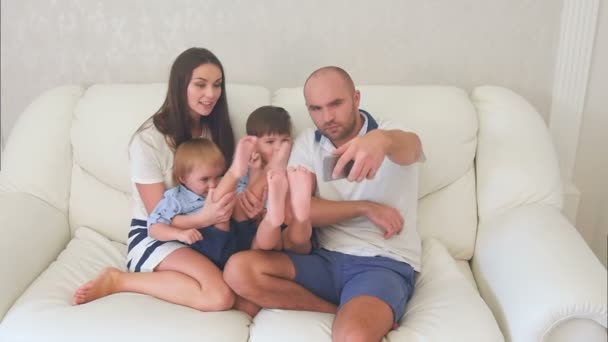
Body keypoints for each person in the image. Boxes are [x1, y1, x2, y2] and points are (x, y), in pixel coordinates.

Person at [223, 66, 425, 341]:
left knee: (352, 337)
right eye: (316, 109)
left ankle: (354, 315)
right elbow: (301, 208)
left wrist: (381, 141)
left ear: (356, 98)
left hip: (380, 263)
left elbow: (412, 147)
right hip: (323, 259)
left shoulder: (391, 133)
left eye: (336, 104)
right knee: (238, 270)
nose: (327, 117)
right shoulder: (308, 143)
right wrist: (365, 207)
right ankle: (335, 309)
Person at [72, 47, 263, 315]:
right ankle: (119, 279)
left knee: (251, 304)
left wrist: (247, 204)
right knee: (218, 297)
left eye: (217, 85)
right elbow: (157, 218)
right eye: (200, 85)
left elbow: (223, 188)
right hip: (159, 233)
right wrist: (204, 218)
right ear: (180, 85)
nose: (211, 94)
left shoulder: (214, 128)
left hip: (207, 234)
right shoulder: (148, 141)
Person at [146, 136, 257, 270]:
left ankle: (244, 172)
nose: (212, 184)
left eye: (217, 176)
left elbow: (244, 190)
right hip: (209, 247)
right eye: (204, 179)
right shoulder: (176, 198)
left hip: (238, 238)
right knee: (221, 200)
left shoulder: (221, 185)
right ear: (183, 178)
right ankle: (235, 172)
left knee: (239, 199)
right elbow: (154, 228)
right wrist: (179, 234)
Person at [238, 106, 315, 253]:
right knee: (264, 241)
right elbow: (245, 206)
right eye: (270, 142)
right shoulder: (245, 167)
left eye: (285, 140)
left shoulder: (295, 166)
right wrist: (256, 173)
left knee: (299, 239)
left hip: (289, 230)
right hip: (262, 234)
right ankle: (275, 218)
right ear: (252, 143)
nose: (279, 148)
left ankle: (300, 216)